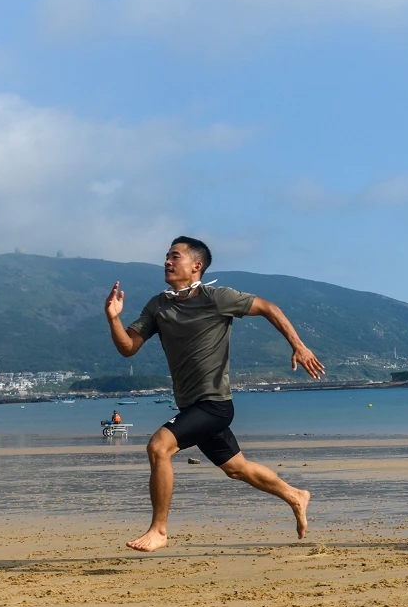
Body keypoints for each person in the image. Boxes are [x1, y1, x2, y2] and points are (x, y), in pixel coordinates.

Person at [104, 236, 325, 552]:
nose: (167, 261)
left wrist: (298, 345)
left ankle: (159, 530)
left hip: (214, 405)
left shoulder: (217, 298)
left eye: (174, 256)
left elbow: (268, 307)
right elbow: (128, 348)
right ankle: (295, 494)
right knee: (237, 468)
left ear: (196, 266)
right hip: (192, 406)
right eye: (166, 256)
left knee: (159, 447)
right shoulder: (158, 305)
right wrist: (113, 318)